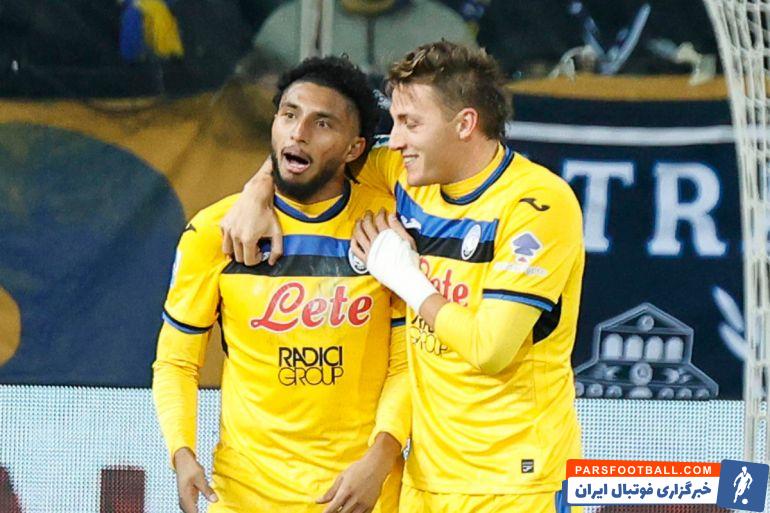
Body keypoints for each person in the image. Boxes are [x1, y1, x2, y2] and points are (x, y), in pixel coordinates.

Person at [221, 41, 584, 513]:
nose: (393, 141)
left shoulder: (537, 204)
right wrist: (256, 190)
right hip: (425, 483)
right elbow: (315, 155)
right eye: (393, 122)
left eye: (411, 124)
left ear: (465, 124)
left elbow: (490, 350)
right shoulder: (407, 173)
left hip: (517, 486)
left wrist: (405, 279)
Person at [152, 55, 409, 513]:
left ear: (355, 149)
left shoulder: (387, 224)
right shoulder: (216, 231)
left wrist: (380, 459)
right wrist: (181, 452)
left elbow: (407, 364)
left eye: (322, 123)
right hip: (244, 496)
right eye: (289, 115)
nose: (298, 133)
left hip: (362, 495)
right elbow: (176, 360)